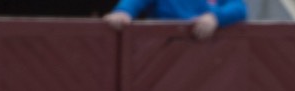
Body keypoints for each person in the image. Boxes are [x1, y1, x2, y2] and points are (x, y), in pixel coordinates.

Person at [102, 0, 247, 40]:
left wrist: (216, 17)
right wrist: (123, 12)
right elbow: (134, 2)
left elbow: (239, 8)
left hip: (212, 59)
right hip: (164, 55)